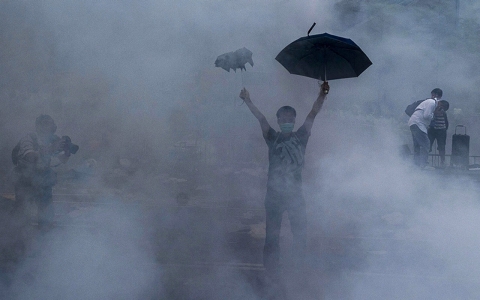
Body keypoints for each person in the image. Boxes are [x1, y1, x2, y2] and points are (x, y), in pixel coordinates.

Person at [239, 81, 329, 278]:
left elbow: (312, 114)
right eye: (283, 118)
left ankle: (299, 268)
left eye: (290, 117)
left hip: (295, 195)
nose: (287, 120)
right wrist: (248, 100)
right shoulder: (273, 138)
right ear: (279, 121)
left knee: (300, 234)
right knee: (272, 236)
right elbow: (261, 118)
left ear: (295, 120)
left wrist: (322, 95)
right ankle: (271, 271)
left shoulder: (302, 136)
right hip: (274, 196)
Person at [12, 114, 73, 230]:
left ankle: (45, 240)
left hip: (43, 180)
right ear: (38, 126)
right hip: (25, 181)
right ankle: (18, 241)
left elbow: (62, 160)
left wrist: (67, 152)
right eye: (45, 123)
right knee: (22, 214)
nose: (49, 127)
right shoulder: (29, 138)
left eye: (50, 123)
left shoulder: (54, 139)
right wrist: (51, 149)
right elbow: (30, 156)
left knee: (46, 215)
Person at [407, 88, 442, 169]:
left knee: (417, 145)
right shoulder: (432, 102)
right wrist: (433, 116)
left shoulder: (427, 102)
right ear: (439, 97)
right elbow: (426, 115)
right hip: (418, 123)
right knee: (426, 144)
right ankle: (423, 164)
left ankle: (416, 165)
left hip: (413, 122)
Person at [428, 100, 449, 167]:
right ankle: (425, 160)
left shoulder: (443, 111)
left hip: (441, 130)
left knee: (441, 147)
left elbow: (446, 122)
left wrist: (444, 129)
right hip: (432, 130)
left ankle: (442, 162)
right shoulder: (432, 108)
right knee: (428, 145)